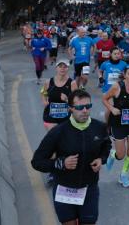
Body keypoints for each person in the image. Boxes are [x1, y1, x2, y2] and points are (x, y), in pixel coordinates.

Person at [31, 90, 111, 225]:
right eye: (80, 107)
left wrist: (101, 159)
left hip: (89, 188)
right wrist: (61, 163)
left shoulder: (99, 127)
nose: (85, 110)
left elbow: (106, 146)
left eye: (88, 106)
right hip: (65, 189)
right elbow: (37, 162)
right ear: (70, 109)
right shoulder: (58, 132)